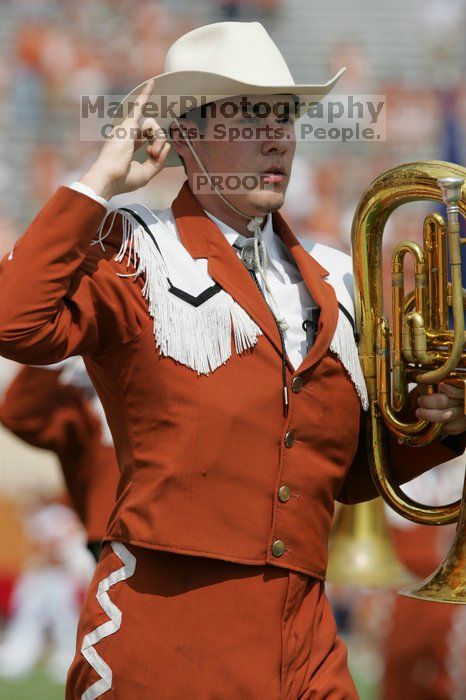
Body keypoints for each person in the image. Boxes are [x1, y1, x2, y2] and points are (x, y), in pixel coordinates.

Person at [0, 20, 464, 699]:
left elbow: (351, 476)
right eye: (249, 115)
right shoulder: (134, 250)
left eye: (283, 115)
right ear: (185, 134)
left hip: (305, 640)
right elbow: (15, 320)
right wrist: (102, 178)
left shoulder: (334, 276)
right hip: (168, 640)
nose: (277, 134)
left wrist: (444, 426)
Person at [0, 359, 119, 560]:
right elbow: (18, 415)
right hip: (118, 534)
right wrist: (57, 350)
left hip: (180, 527)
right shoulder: (80, 399)